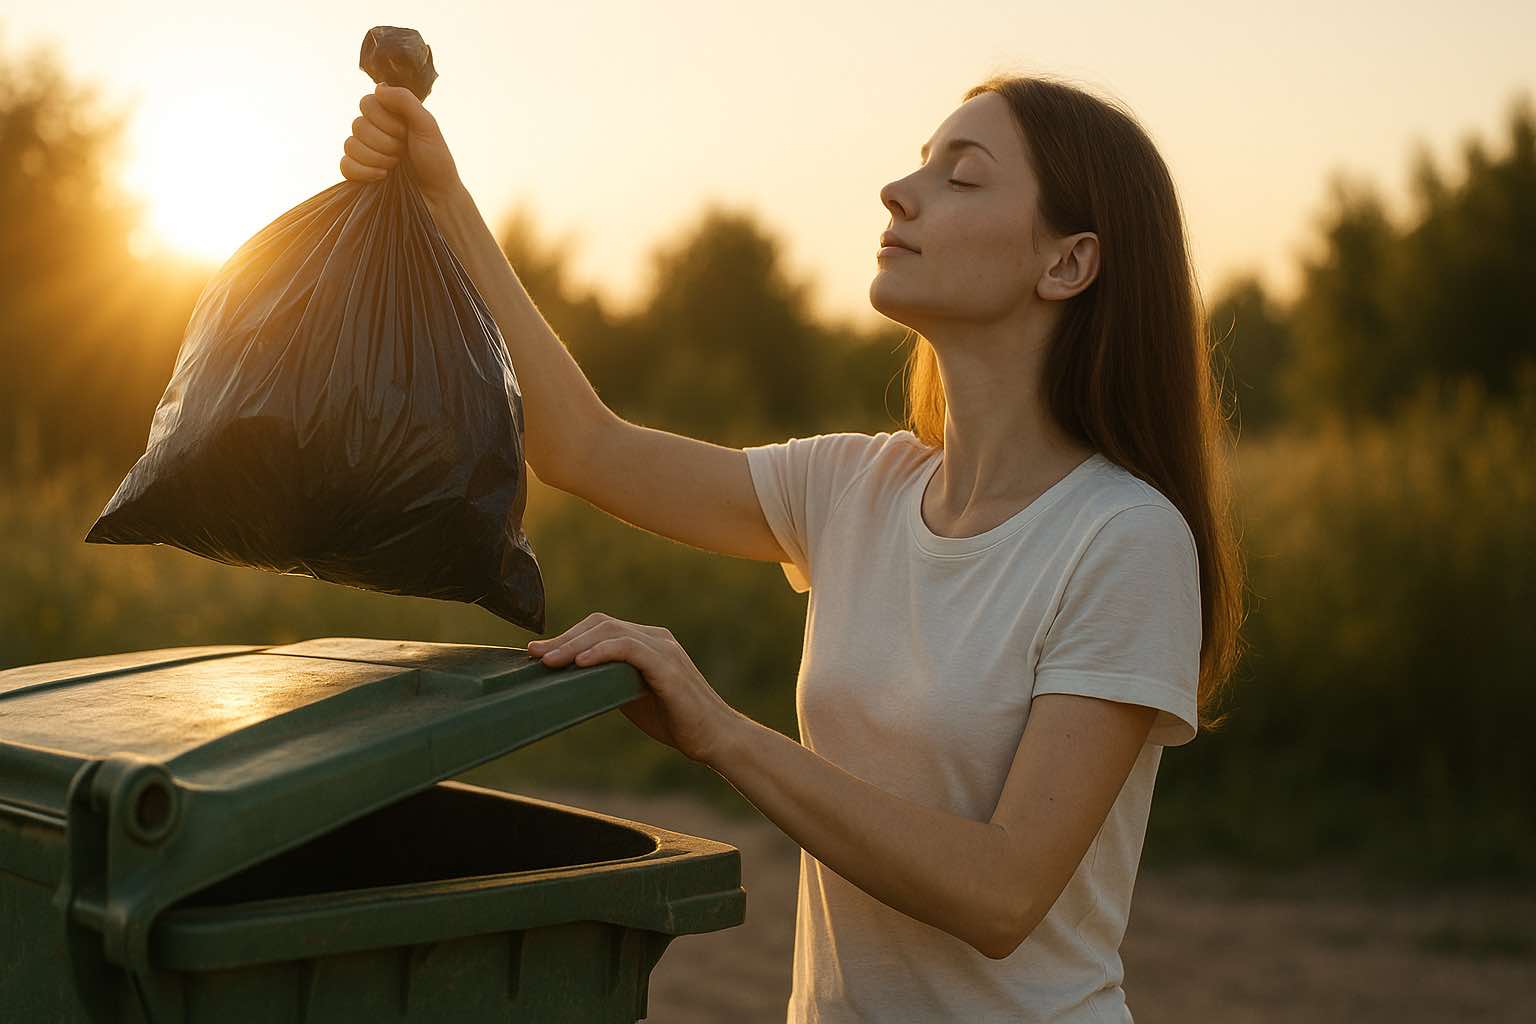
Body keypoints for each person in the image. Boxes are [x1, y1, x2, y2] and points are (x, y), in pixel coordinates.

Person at [344, 72, 1245, 1023]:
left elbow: (1002, 894)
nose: (901, 189)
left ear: (1067, 265)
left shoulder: (1124, 539)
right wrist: (442, 196)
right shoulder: (856, 486)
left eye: (963, 177)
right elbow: (582, 447)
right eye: (921, 162)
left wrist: (721, 732)